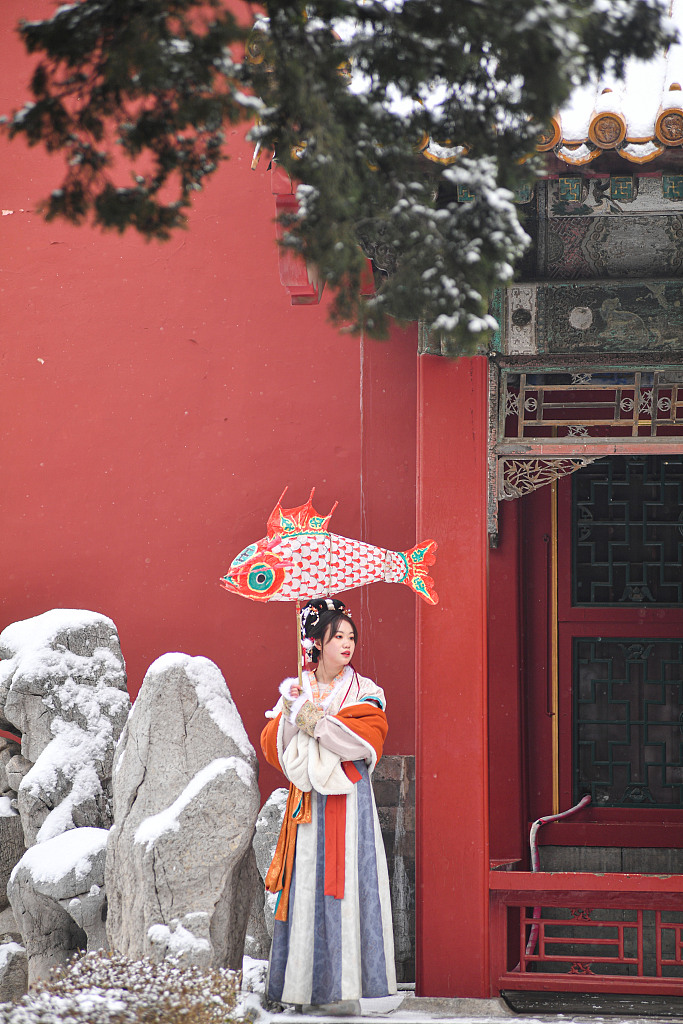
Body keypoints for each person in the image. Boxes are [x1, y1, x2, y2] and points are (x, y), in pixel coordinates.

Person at [260, 597, 397, 1014]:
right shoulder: (297, 689)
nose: (347, 644)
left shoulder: (365, 691)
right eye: (337, 636)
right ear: (316, 642)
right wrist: (290, 715)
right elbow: (274, 749)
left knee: (350, 885)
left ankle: (351, 990)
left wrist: (317, 724)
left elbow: (363, 742)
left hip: (348, 802)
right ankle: (304, 987)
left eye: (351, 636)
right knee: (304, 887)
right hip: (306, 806)